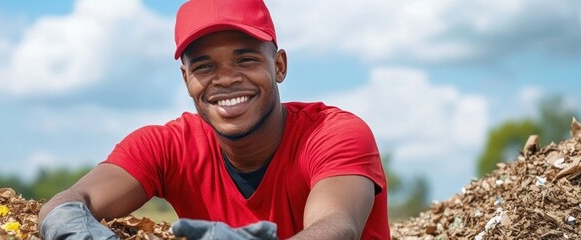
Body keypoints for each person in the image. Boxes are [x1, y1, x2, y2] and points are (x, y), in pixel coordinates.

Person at [38, 0, 389, 239]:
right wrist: (66, 222)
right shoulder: (166, 145)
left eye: (246, 60)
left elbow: (338, 225)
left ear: (279, 66)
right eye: (204, 66)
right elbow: (74, 197)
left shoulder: (334, 132)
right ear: (186, 79)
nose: (225, 79)